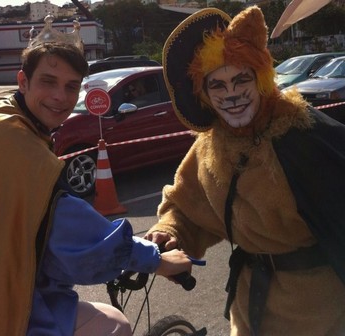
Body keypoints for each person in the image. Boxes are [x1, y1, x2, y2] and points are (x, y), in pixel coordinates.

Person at [0, 15, 192, 336]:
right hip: (1, 303)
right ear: (23, 81)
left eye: (71, 86)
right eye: (48, 81)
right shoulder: (21, 146)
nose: (60, 96)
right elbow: (70, 231)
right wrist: (155, 260)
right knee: (115, 324)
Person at [145, 6, 345, 336]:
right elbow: (188, 208)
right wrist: (170, 232)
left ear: (261, 78)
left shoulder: (304, 135)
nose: (232, 94)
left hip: (317, 312)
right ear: (205, 94)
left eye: (241, 79)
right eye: (218, 86)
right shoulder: (210, 143)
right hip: (250, 303)